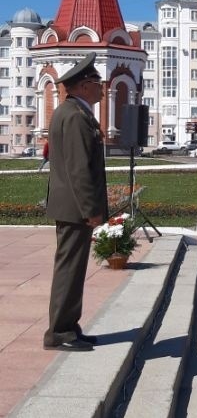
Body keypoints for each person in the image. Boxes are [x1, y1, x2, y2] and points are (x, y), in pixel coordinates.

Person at [43, 53, 108, 352]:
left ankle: (69, 325)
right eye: (97, 82)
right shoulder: (75, 116)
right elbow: (79, 168)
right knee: (69, 268)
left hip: (72, 207)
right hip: (74, 208)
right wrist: (90, 209)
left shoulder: (75, 112)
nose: (103, 88)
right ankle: (59, 332)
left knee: (73, 268)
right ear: (83, 86)